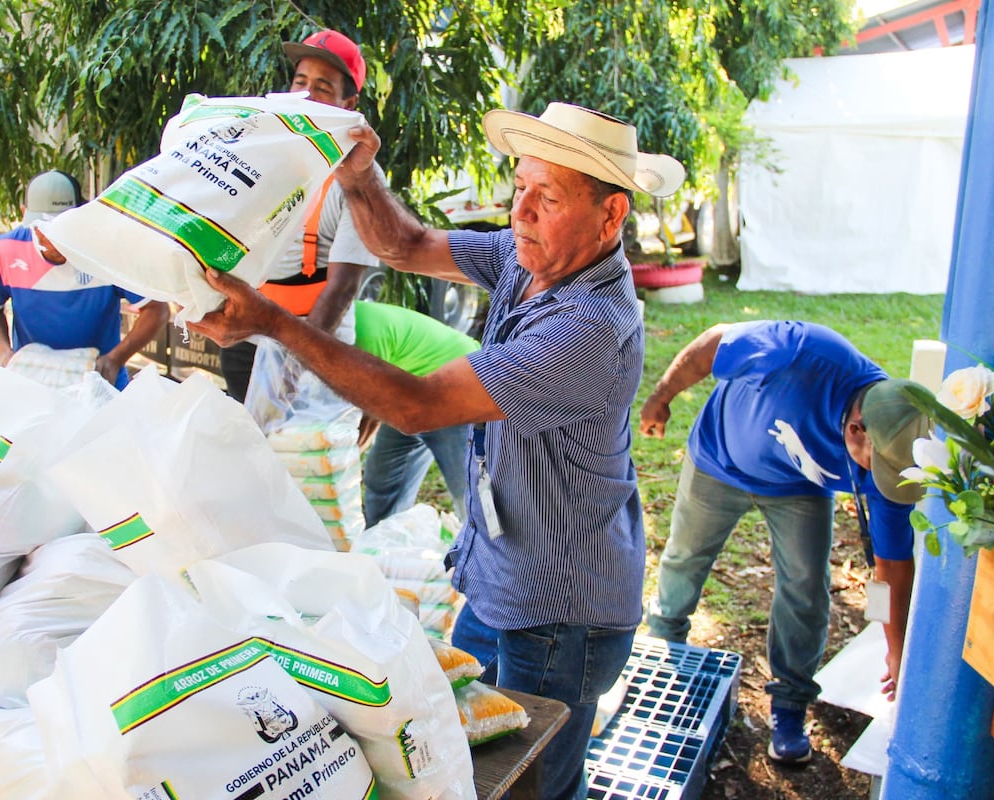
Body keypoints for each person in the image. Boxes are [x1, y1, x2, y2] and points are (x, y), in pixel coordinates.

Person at [190, 102, 686, 799]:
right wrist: (360, 178)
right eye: (520, 189)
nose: (523, 213)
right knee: (474, 756)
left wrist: (276, 323)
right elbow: (405, 243)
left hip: (559, 611)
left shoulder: (590, 329)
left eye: (548, 199)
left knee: (533, 784)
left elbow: (414, 405)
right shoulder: (529, 259)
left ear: (610, 218)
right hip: (500, 574)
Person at [639, 320, 929, 765]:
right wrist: (661, 398)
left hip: (798, 487)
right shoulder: (802, 353)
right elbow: (713, 343)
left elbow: (891, 569)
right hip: (720, 459)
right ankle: (665, 650)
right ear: (856, 429)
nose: (879, 483)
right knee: (684, 558)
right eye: (877, 471)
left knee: (807, 587)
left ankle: (790, 703)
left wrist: (896, 650)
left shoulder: (894, 461)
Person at [219, 29, 382, 402]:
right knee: (247, 452)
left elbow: (342, 286)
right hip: (247, 339)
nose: (306, 95)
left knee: (306, 457)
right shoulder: (260, 152)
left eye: (323, 87)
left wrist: (296, 362)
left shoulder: (358, 175)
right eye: (300, 82)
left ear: (348, 102)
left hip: (318, 344)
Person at [0, 170, 169, 389]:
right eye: (42, 227)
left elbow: (156, 309)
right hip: (33, 383)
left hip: (100, 383)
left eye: (61, 227)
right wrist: (4, 351)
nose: (51, 238)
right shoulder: (3, 252)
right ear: (25, 215)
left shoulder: (107, 252)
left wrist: (115, 360)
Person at [353, 300, 479, 526]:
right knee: (382, 477)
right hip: (407, 391)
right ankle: (383, 545)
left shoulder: (363, 332)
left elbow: (372, 405)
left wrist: (350, 451)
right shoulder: (339, 324)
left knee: (469, 487)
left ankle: (489, 552)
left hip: (456, 385)